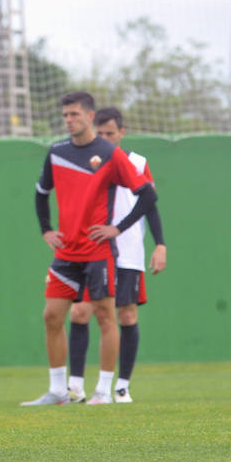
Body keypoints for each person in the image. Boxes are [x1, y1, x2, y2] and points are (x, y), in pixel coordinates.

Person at [22, 91, 157, 406]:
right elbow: (41, 193)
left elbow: (147, 194)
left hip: (98, 251)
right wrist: (46, 230)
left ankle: (103, 392)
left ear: (90, 117)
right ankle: (58, 391)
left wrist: (117, 229)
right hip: (66, 252)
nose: (69, 120)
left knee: (105, 317)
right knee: (51, 316)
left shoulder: (110, 154)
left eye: (75, 114)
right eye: (66, 115)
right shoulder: (56, 153)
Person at [67, 107, 167, 404]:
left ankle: (120, 387)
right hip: (93, 252)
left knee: (126, 315)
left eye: (111, 133)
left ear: (122, 133)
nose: (106, 138)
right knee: (80, 312)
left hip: (128, 252)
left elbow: (149, 202)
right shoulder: (88, 162)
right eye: (102, 133)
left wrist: (160, 244)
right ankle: (75, 387)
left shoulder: (136, 163)